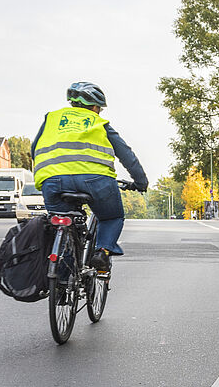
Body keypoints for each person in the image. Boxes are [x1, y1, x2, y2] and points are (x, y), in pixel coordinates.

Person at [31, 82, 148, 271]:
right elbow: (127, 155)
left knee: (59, 225)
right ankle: (102, 251)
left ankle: (62, 282)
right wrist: (141, 182)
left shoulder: (51, 119)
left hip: (53, 181)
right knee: (111, 217)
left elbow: (33, 148)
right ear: (95, 107)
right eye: (99, 109)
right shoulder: (99, 123)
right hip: (96, 181)